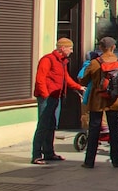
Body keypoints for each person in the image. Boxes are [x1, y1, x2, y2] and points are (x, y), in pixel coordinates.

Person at [31, 37, 85, 165]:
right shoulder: (47, 60)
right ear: (62, 48)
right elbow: (40, 79)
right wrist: (44, 95)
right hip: (47, 97)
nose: (71, 51)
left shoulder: (62, 62)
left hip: (57, 97)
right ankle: (36, 155)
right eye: (70, 48)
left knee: (52, 125)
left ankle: (49, 152)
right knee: (43, 125)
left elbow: (66, 78)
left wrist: (78, 87)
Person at [78, 36, 118, 168]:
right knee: (114, 130)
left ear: (100, 48)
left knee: (94, 130)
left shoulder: (95, 63)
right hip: (114, 101)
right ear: (113, 47)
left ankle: (89, 161)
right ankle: (117, 160)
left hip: (97, 101)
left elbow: (83, 80)